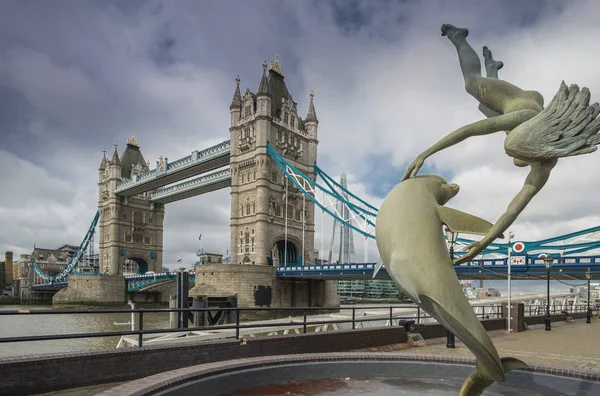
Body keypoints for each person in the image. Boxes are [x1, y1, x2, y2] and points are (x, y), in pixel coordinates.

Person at [402, 24, 600, 264]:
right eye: (514, 152)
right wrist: (426, 153)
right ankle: (458, 36)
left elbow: (512, 209)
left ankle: (493, 68)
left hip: (528, 107)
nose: (515, 160)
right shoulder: (525, 119)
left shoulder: (544, 165)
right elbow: (469, 131)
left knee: (484, 107)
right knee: (472, 84)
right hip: (519, 101)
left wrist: (485, 242)